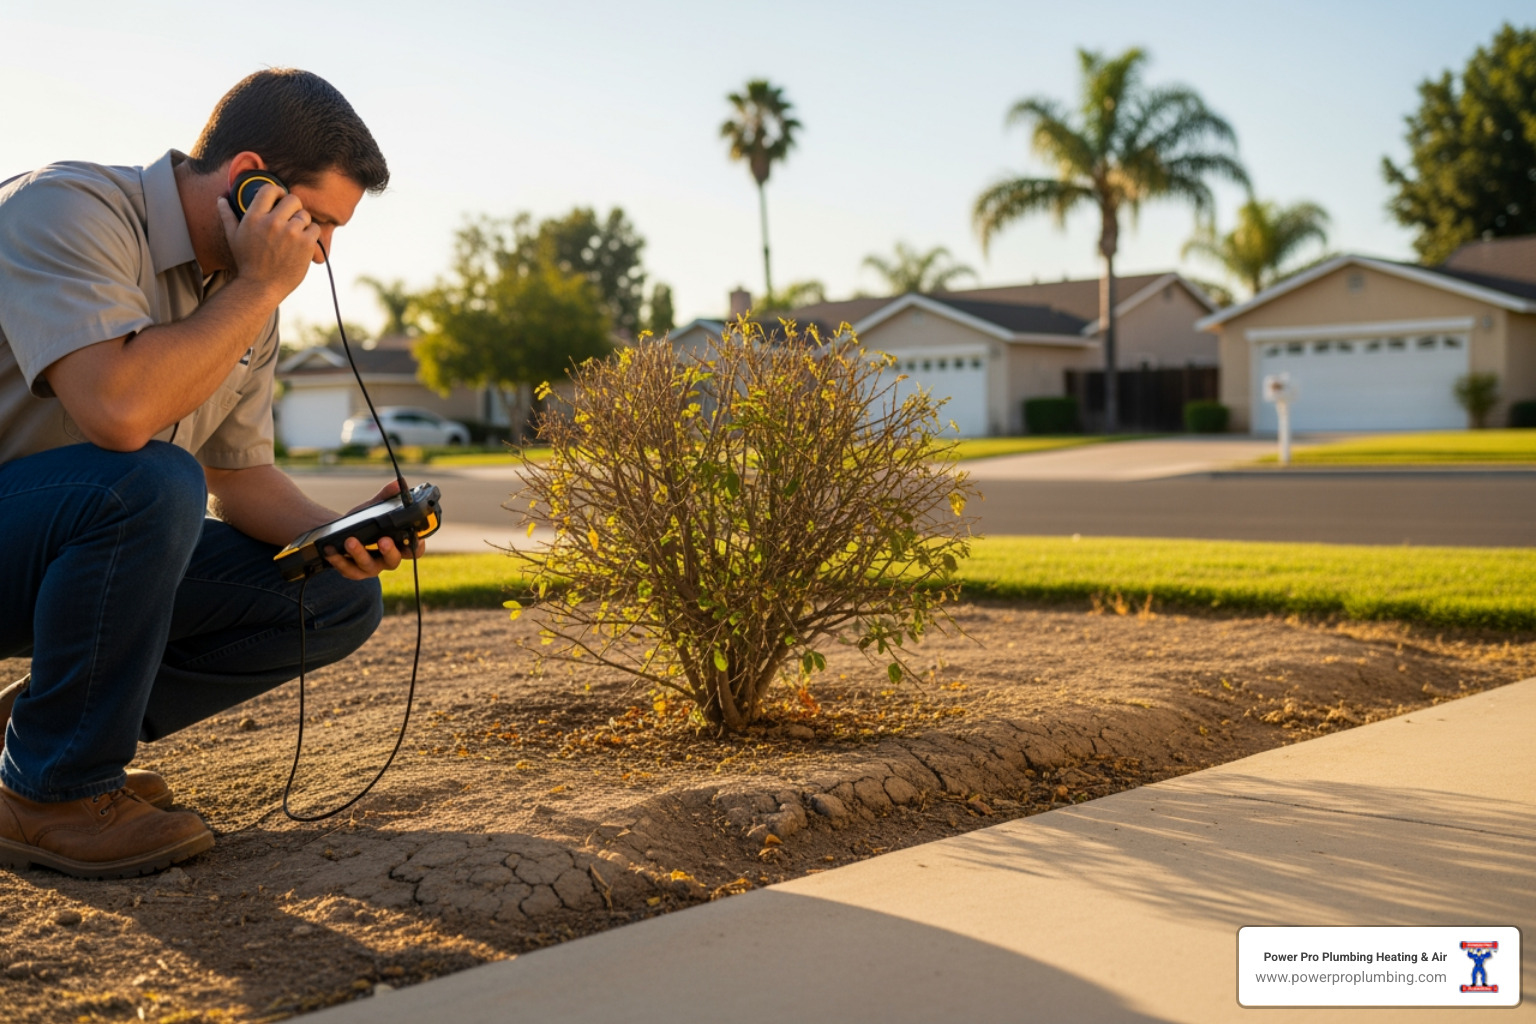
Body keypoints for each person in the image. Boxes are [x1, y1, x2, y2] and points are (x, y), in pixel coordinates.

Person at [0, 68, 421, 879]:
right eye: (318, 221)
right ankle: (50, 793)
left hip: (64, 551)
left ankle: (42, 736)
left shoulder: (244, 297)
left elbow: (242, 476)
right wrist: (260, 289)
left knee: (331, 593)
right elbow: (118, 415)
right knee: (153, 480)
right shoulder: (65, 209)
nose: (323, 250)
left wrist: (342, 532)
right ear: (250, 181)